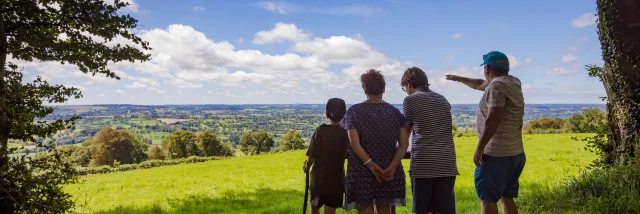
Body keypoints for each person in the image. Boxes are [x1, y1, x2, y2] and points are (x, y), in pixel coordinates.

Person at [446, 51, 526, 214]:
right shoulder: (512, 82)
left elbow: (493, 118)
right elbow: (479, 84)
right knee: (506, 197)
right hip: (515, 153)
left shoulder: (496, 86)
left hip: (496, 155)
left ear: (487, 68)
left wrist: (480, 148)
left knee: (487, 200)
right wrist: (459, 78)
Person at [341, 69, 410, 214]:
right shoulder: (395, 112)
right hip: (388, 171)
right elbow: (404, 144)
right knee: (385, 208)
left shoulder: (354, 112)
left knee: (364, 209)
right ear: (384, 88)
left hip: (361, 170)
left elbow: (354, 143)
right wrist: (392, 167)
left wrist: (370, 165)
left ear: (364, 88)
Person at [401, 67, 458, 214]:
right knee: (443, 210)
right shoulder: (442, 99)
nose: (405, 91)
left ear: (408, 83)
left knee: (421, 210)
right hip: (447, 162)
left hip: (423, 163)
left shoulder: (410, 100)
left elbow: (405, 135)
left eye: (404, 87)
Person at [303, 98, 350, 214]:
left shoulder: (320, 131)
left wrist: (307, 166)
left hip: (318, 180)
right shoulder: (347, 132)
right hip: (336, 181)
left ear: (326, 114)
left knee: (314, 208)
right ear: (344, 114)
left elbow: (312, 155)